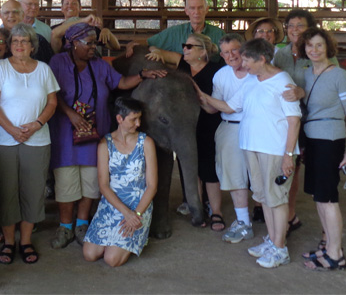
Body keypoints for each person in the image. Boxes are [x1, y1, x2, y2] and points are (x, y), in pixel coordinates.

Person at [48, 23, 163, 249]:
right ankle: (65, 226)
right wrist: (70, 114)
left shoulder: (99, 66)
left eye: (95, 43)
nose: (94, 47)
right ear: (73, 44)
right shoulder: (58, 63)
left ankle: (82, 224)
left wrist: (142, 75)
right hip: (65, 133)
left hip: (93, 134)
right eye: (89, 43)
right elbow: (52, 93)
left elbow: (120, 83)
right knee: (66, 182)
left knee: (91, 182)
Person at [200, 38, 301, 268]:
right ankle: (273, 240)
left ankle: (280, 248)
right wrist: (200, 94)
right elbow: (229, 107)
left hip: (274, 149)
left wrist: (287, 154)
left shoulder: (283, 81)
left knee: (276, 197)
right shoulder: (253, 80)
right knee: (264, 196)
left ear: (261, 59)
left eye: (246, 59)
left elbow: (293, 121)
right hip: (252, 146)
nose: (242, 64)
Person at [0, 23, 59, 265]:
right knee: (6, 191)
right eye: (15, 41)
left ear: (32, 46)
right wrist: (11, 130)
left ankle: (26, 241)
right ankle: (9, 242)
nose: (19, 45)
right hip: (4, 140)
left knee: (33, 190)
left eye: (24, 41)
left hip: (37, 140)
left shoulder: (44, 70)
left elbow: (51, 103)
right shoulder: (0, 68)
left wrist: (37, 124)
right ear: (10, 46)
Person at [148, 33, 224, 231]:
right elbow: (155, 49)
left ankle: (216, 211)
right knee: (190, 169)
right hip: (183, 128)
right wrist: (154, 53)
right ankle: (196, 206)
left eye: (190, 46)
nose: (185, 49)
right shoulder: (183, 65)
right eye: (185, 46)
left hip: (208, 123)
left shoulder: (217, 71)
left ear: (202, 51)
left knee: (209, 171)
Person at [272, 9, 338, 236]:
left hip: (317, 122)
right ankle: (290, 217)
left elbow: (332, 87)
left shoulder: (320, 53)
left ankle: (328, 235)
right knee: (292, 168)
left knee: (321, 175)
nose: (294, 30)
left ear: (310, 28)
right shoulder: (280, 54)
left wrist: (303, 92)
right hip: (291, 121)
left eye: (300, 26)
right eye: (290, 26)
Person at [297, 28, 346, 271]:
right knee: (318, 197)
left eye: (319, 45)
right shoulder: (307, 74)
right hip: (312, 140)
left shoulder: (339, 75)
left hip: (330, 140)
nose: (314, 50)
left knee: (328, 198)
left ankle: (336, 254)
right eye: (310, 45)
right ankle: (328, 246)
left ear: (328, 48)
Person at [82, 97, 158, 267]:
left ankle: (136, 237)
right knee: (90, 254)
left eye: (139, 118)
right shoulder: (105, 143)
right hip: (113, 205)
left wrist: (136, 214)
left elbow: (152, 186)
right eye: (133, 119)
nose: (138, 123)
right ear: (119, 119)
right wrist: (125, 213)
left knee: (112, 259)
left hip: (138, 205)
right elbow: (103, 185)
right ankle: (117, 239)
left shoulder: (146, 142)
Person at [198, 34, 255, 242]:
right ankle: (243, 222)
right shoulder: (221, 75)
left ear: (244, 49)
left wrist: (204, 96)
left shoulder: (256, 71)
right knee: (234, 177)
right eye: (226, 52)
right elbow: (214, 108)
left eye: (235, 50)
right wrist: (199, 98)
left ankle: (275, 223)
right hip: (229, 127)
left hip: (256, 128)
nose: (231, 55)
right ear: (221, 55)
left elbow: (229, 106)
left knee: (262, 177)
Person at [146, 0, 225, 64]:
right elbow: (149, 44)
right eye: (192, 8)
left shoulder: (219, 34)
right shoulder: (175, 32)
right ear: (186, 11)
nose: (196, 12)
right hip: (183, 78)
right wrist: (155, 51)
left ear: (207, 9)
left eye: (200, 8)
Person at [49, 0, 120, 54]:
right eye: (67, 3)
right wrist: (83, 20)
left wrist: (107, 32)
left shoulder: (89, 28)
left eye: (74, 3)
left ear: (80, 8)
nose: (70, 6)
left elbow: (116, 47)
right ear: (61, 8)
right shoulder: (54, 29)